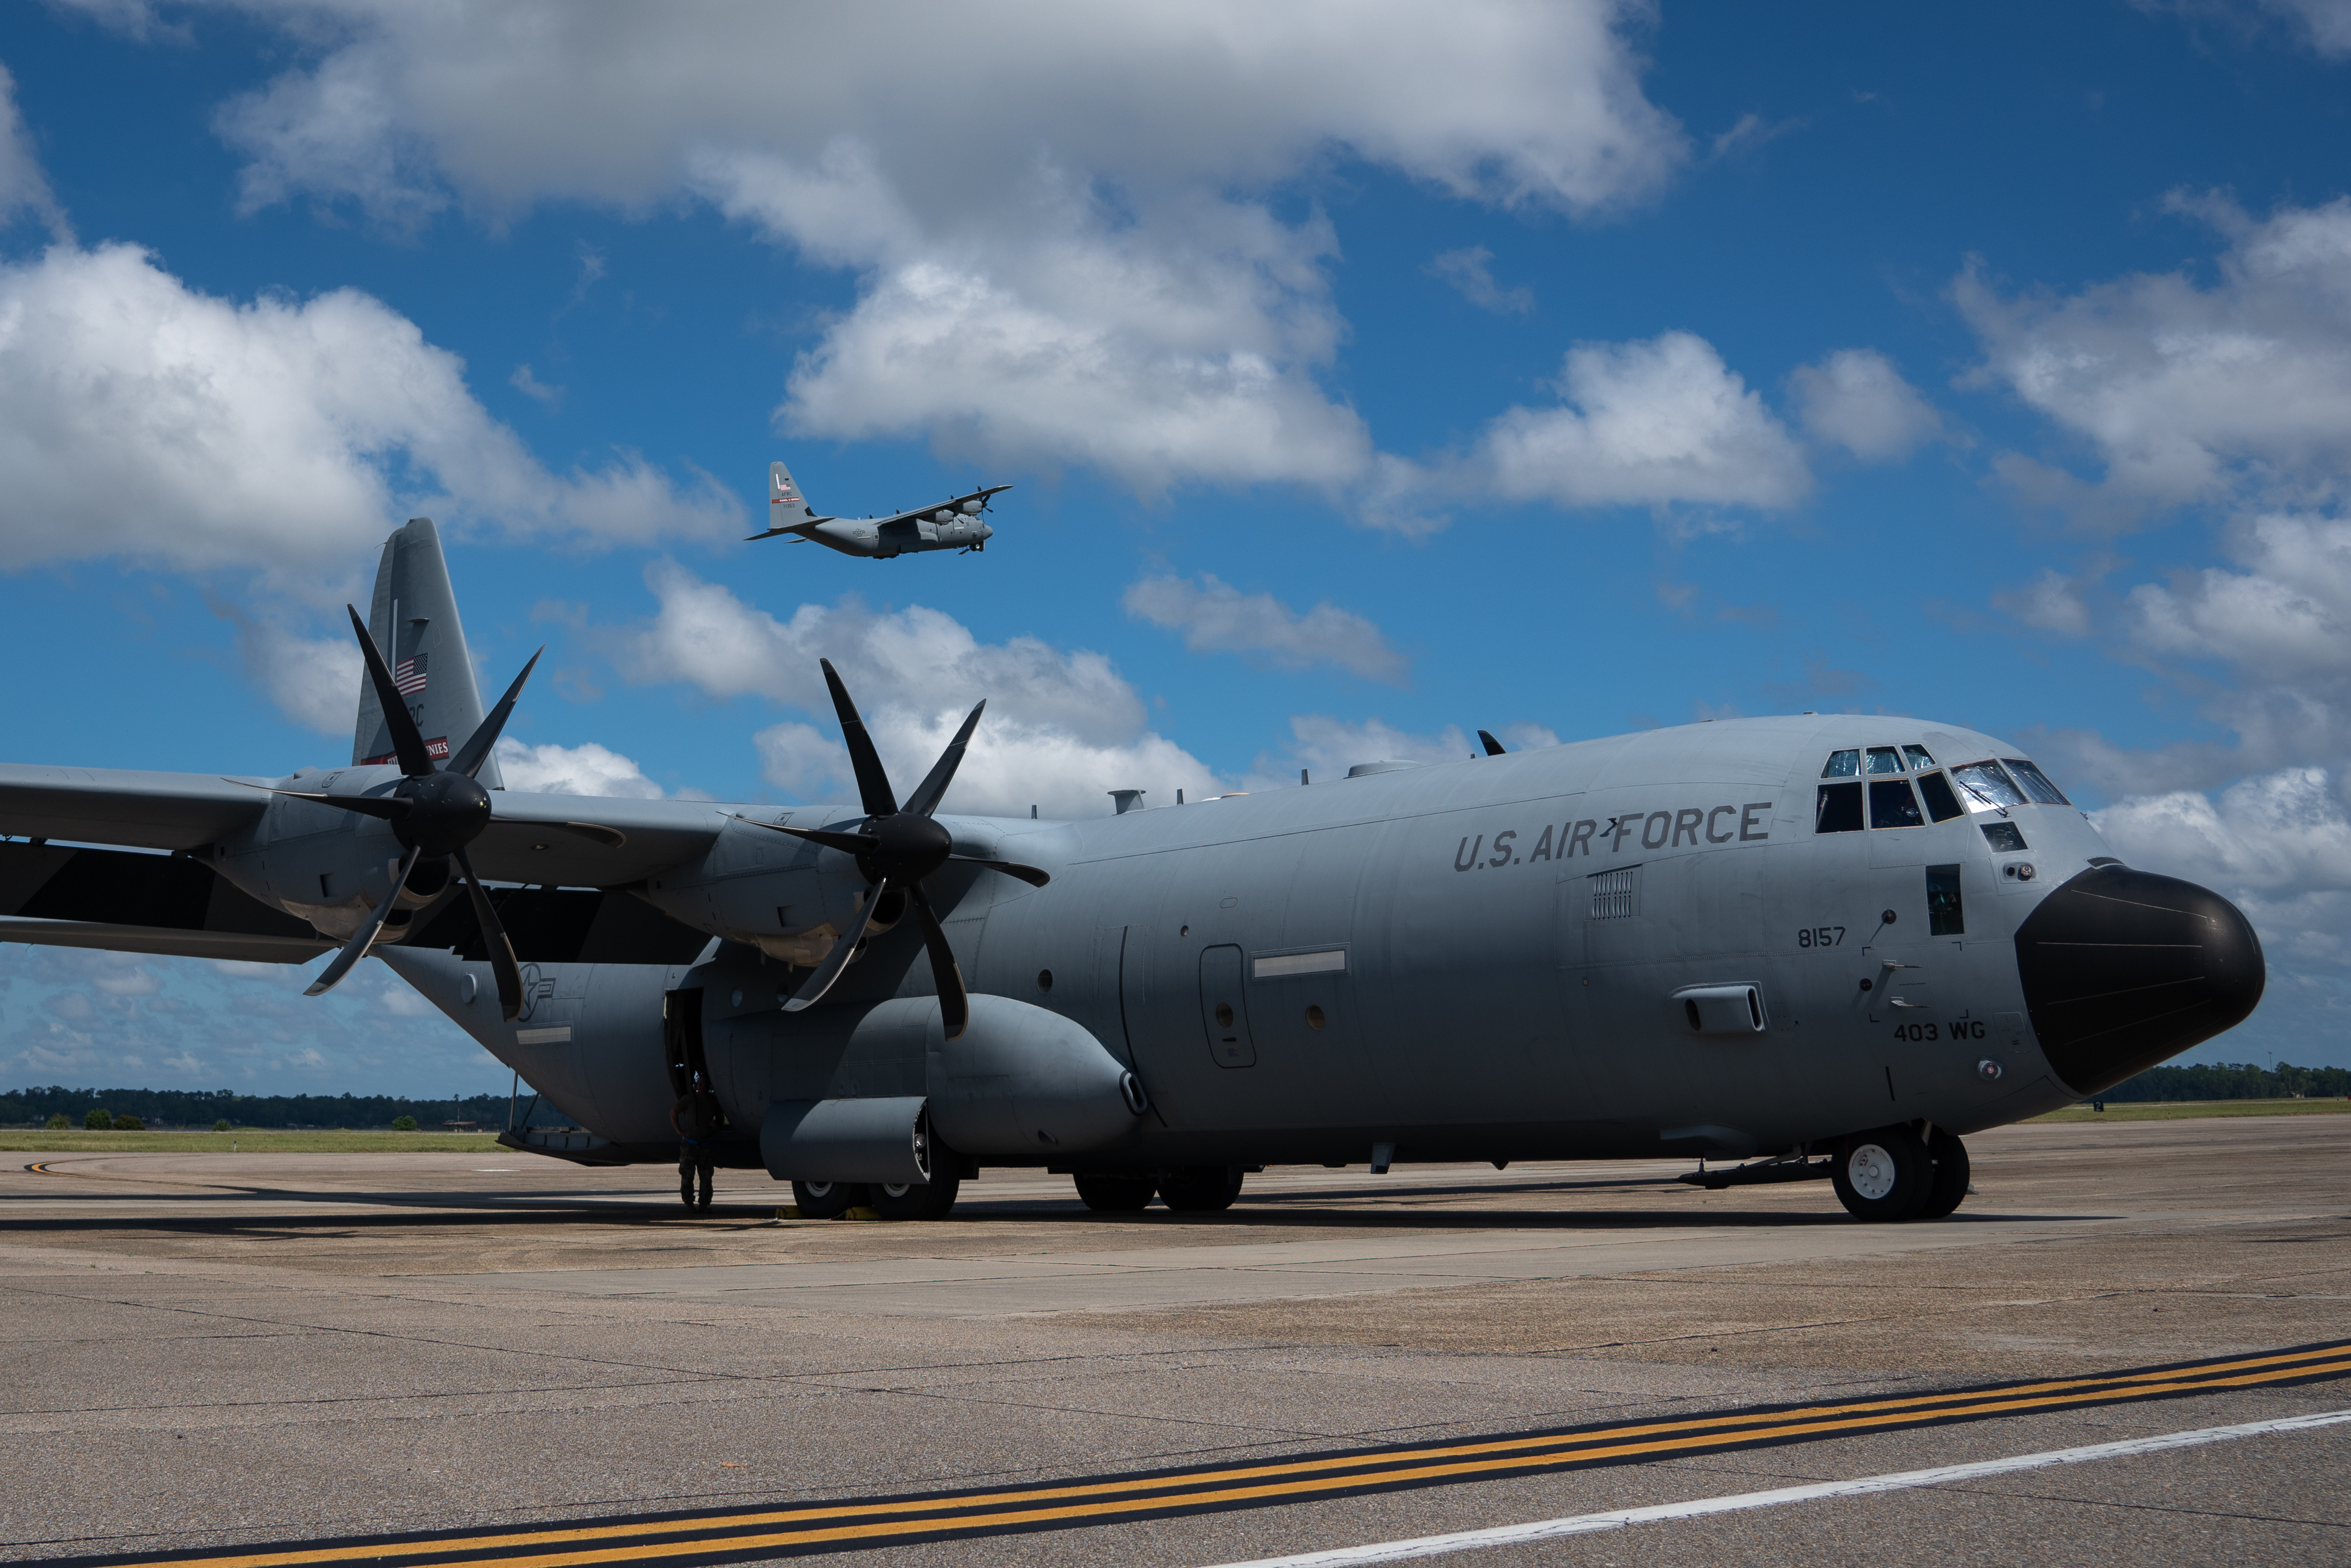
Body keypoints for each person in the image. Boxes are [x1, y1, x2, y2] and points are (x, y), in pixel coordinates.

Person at [671, 1071, 722, 1211]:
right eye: (699, 1083)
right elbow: (674, 1112)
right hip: (690, 1144)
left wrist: (716, 1124)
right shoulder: (689, 1099)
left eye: (703, 1084)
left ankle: (704, 1204)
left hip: (705, 1145)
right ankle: (689, 1202)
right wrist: (680, 1131)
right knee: (687, 1175)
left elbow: (720, 1119)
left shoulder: (713, 1101)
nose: (700, 1086)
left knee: (706, 1176)